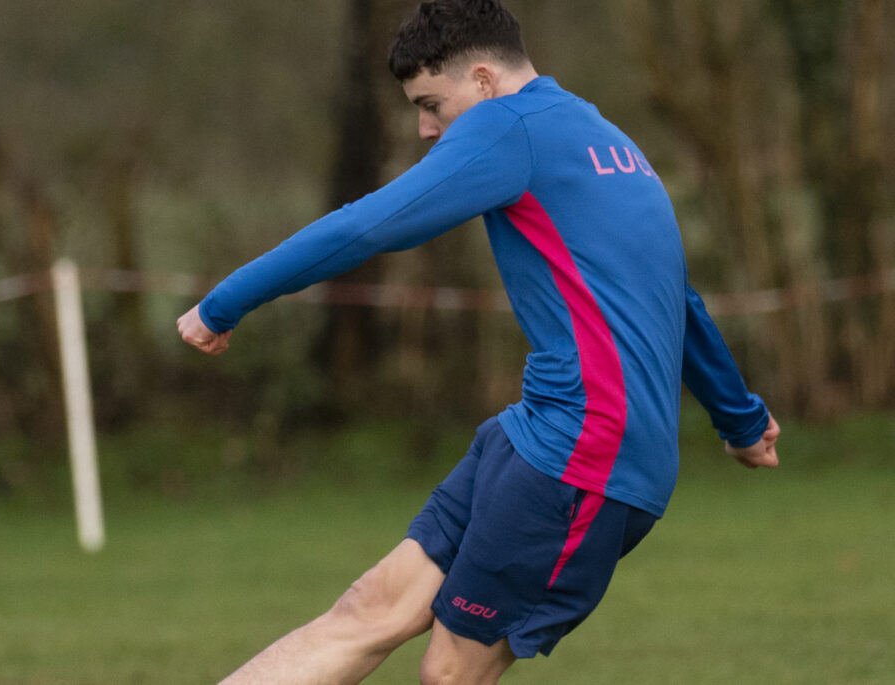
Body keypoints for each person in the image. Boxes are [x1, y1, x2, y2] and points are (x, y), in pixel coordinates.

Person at [175, 1, 782, 683]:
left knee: (450, 672)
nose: (426, 128)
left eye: (432, 105)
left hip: (586, 452)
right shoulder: (609, 139)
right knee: (371, 609)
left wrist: (224, 303)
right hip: (534, 433)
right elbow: (679, 301)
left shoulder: (507, 125)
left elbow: (366, 226)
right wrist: (741, 420)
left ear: (485, 81)